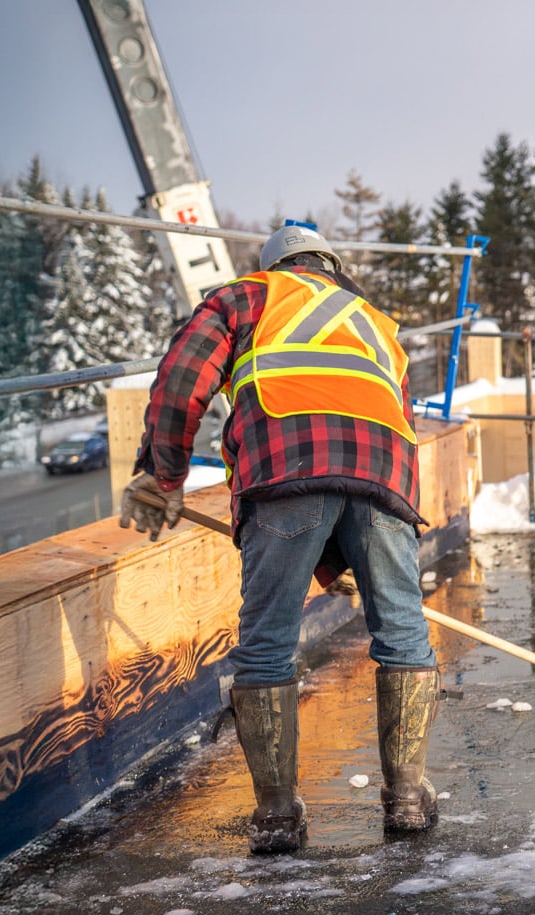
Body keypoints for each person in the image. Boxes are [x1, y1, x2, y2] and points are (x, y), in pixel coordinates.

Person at [119, 223, 441, 854]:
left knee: (267, 647)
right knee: (402, 633)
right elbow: (395, 422)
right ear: (330, 264)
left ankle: (275, 815)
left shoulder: (248, 296)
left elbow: (183, 378)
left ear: (275, 264)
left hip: (285, 474)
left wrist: (163, 474)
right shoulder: (375, 321)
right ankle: (406, 799)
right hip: (384, 483)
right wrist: (361, 548)